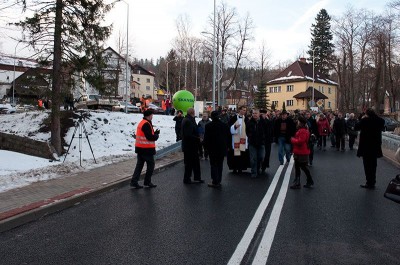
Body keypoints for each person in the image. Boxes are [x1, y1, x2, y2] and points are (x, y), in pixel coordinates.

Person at [355, 108, 385, 189]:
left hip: (366, 146)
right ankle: (373, 181)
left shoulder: (365, 121)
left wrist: (362, 118)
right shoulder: (380, 120)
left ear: (367, 114)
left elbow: (356, 127)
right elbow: (382, 125)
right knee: (374, 164)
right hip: (375, 146)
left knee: (367, 165)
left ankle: (369, 182)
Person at [130, 109, 160, 189]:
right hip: (146, 149)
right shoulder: (146, 124)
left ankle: (134, 182)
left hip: (140, 148)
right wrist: (156, 136)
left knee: (139, 166)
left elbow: (147, 134)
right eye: (152, 115)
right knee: (151, 166)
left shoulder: (142, 122)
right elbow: (149, 137)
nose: (152, 116)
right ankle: (147, 182)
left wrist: (155, 133)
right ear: (149, 115)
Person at [203, 111, 231, 188]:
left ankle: (215, 181)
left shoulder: (208, 126)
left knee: (213, 164)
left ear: (211, 117)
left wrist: (205, 148)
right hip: (222, 148)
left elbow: (206, 138)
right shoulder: (225, 125)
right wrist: (228, 147)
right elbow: (229, 137)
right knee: (220, 164)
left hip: (212, 148)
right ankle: (219, 180)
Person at [181, 107, 204, 184]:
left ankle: (196, 178)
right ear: (193, 112)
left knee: (195, 163)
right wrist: (198, 139)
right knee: (189, 164)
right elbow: (188, 135)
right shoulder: (188, 121)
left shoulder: (189, 119)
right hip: (189, 146)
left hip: (192, 146)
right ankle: (187, 179)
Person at [290, 116, 314, 189]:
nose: (297, 123)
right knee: (298, 167)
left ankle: (309, 180)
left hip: (302, 151)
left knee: (303, 167)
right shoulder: (302, 130)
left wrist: (293, 140)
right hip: (299, 151)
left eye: (298, 122)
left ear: (301, 123)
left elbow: (301, 141)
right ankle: (297, 182)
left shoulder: (303, 131)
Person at [227, 105, 250, 173]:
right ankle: (234, 168)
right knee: (235, 153)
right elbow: (229, 127)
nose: (244, 111)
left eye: (245, 110)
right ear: (239, 110)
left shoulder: (246, 119)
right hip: (235, 138)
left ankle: (240, 168)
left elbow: (248, 128)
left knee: (242, 153)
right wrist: (234, 127)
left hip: (243, 139)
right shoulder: (233, 118)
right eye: (243, 110)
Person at [246, 109, 266, 178]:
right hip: (252, 143)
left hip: (261, 143)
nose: (254, 114)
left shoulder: (263, 122)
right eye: (253, 113)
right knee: (253, 159)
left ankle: (258, 168)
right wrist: (250, 136)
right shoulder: (249, 122)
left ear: (259, 114)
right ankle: (253, 172)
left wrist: (264, 137)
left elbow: (267, 130)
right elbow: (247, 131)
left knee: (261, 157)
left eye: (256, 113)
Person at [260, 109, 273, 173]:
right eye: (261, 114)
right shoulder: (259, 121)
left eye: (263, 114)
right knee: (261, 154)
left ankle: (264, 165)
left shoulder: (268, 121)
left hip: (267, 140)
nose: (262, 115)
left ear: (265, 114)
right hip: (260, 140)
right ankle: (260, 165)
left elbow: (270, 131)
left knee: (267, 154)